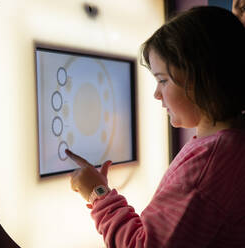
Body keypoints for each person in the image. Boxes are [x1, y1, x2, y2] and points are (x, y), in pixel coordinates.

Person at [66, 6, 245, 248]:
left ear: (201, 76)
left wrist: (96, 193)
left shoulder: (206, 166)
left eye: (163, 80)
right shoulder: (231, 145)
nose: (156, 94)